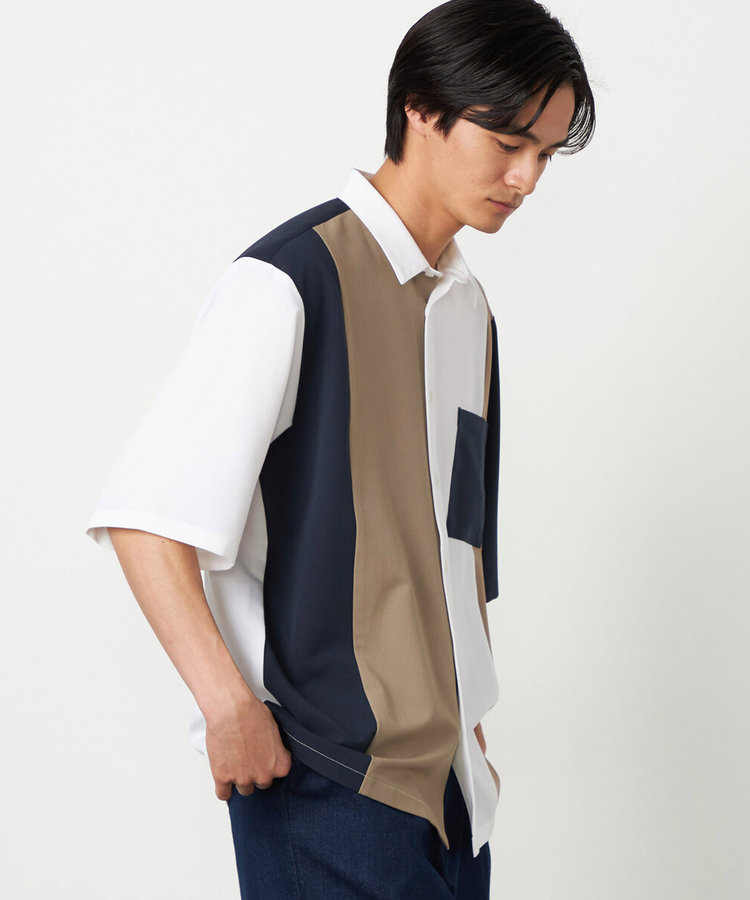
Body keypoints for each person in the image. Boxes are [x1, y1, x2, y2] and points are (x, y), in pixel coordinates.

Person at [85, 0, 595, 896]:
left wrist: (467, 727)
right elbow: (144, 519)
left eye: (546, 154)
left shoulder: (468, 312)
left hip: (452, 797)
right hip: (325, 777)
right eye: (509, 141)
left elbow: (456, 548)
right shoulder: (289, 281)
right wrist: (228, 707)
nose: (526, 178)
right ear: (421, 108)